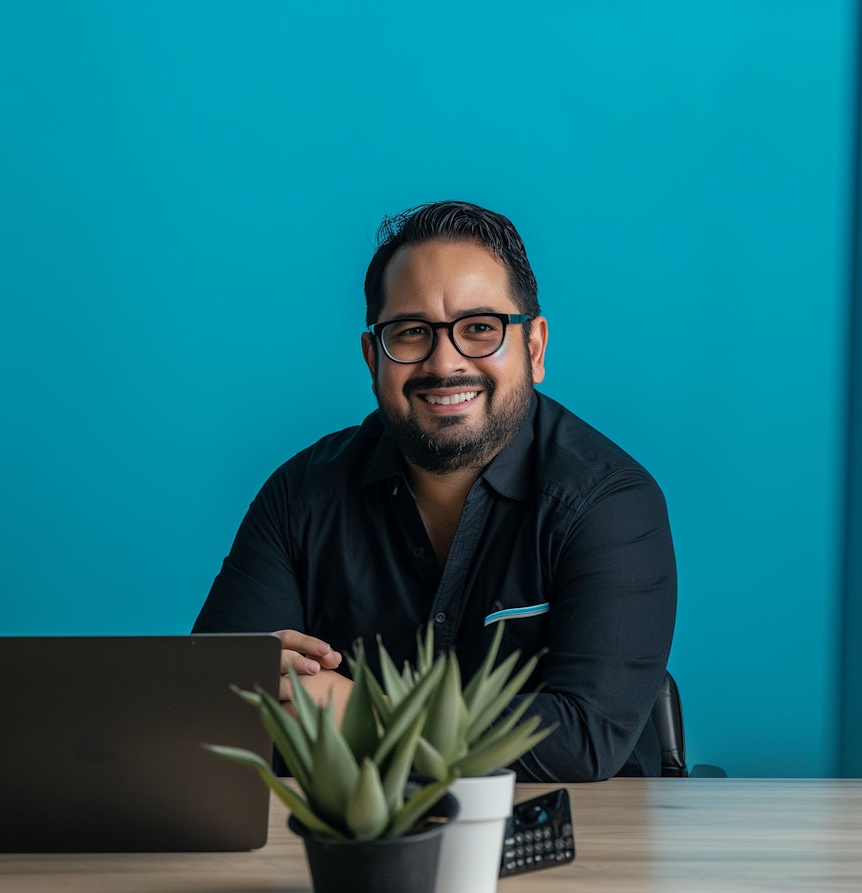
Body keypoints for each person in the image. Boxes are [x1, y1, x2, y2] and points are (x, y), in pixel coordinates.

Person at [192, 201, 675, 782]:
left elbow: (583, 737)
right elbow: (215, 703)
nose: (445, 364)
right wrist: (247, 686)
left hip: (582, 849)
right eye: (411, 332)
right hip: (348, 848)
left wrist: (363, 714)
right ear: (374, 359)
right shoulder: (300, 497)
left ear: (535, 348)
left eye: (479, 329)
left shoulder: (611, 503)